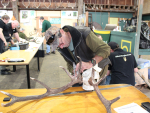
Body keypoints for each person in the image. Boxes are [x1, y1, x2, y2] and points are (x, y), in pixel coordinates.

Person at [45, 25, 111, 86]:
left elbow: (105, 49)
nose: (61, 47)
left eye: (61, 43)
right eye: (58, 46)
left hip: (98, 72)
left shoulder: (83, 33)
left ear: (62, 32)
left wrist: (90, 63)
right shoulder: (61, 48)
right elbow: (69, 62)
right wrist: (74, 70)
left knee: (95, 96)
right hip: (84, 76)